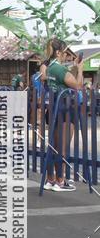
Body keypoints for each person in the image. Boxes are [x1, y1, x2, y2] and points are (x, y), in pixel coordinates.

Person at [42, 42, 84, 191]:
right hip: (66, 109)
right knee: (63, 147)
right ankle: (60, 181)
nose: (67, 56)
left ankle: (50, 180)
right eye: (65, 53)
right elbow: (78, 85)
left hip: (53, 109)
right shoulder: (59, 69)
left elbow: (62, 80)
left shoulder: (50, 68)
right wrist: (80, 70)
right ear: (59, 53)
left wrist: (72, 67)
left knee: (53, 146)